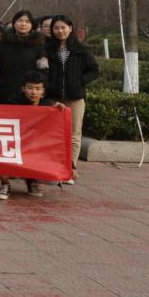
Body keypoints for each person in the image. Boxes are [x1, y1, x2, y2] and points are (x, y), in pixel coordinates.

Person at [45, 14, 98, 183]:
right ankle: (53, 168)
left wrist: (79, 81)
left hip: (75, 98)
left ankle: (70, 169)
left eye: (63, 27)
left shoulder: (81, 50)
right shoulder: (47, 49)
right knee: (53, 133)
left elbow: (94, 70)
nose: (60, 31)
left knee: (74, 133)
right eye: (56, 28)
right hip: (53, 98)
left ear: (70, 28)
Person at [0, 71, 59, 200]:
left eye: (37, 88)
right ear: (23, 88)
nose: (33, 92)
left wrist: (71, 166)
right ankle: (5, 185)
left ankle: (32, 180)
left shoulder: (49, 107)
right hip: (14, 146)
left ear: (43, 91)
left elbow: (58, 138)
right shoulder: (12, 104)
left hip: (35, 149)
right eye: (30, 88)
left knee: (54, 178)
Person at [0, 10, 48, 103]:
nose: (23, 24)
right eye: (20, 20)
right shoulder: (3, 43)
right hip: (4, 89)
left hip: (28, 93)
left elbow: (43, 69)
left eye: (27, 22)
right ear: (14, 23)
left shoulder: (38, 45)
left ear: (32, 25)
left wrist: (38, 90)